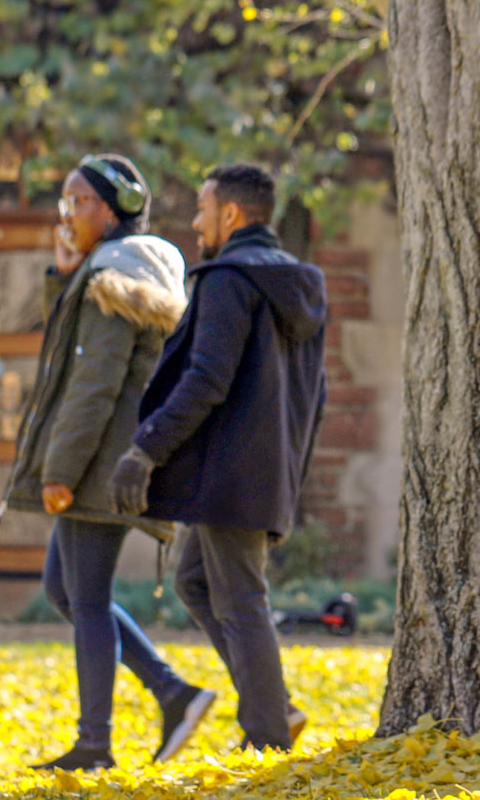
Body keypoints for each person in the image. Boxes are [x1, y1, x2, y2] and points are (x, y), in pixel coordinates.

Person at [2, 154, 217, 771]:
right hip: (109, 457)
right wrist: (62, 274)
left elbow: (92, 385)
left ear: (114, 208)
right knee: (62, 588)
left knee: (86, 598)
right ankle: (173, 692)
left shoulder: (112, 282)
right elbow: (73, 351)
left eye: (79, 203)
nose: (66, 215)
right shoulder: (114, 272)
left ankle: (96, 744)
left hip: (99, 461)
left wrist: (59, 471)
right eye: (63, 204)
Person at [108, 163, 327, 752]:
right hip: (263, 468)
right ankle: (272, 705)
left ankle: (267, 735)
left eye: (203, 208)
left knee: (241, 597)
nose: (197, 220)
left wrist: (145, 450)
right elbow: (317, 393)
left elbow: (206, 378)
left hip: (230, 472)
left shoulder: (229, 279)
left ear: (231, 214)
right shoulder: (299, 284)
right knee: (196, 581)